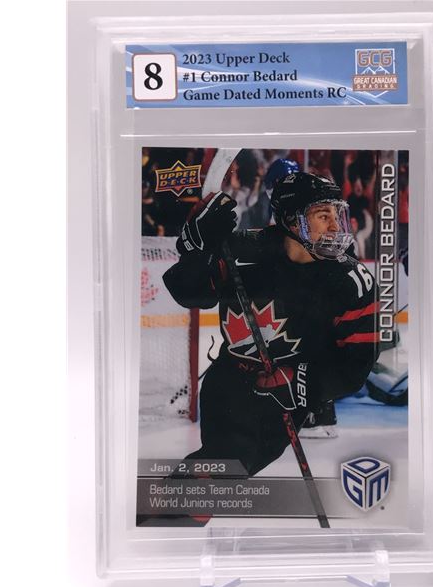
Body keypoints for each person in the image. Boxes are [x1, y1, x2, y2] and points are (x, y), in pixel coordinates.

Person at [163, 172, 380, 476]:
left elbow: (357, 364)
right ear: (292, 220)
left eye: (337, 215)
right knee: (224, 466)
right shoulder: (242, 250)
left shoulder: (351, 281)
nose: (335, 226)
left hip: (281, 399)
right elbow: (187, 292)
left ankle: (172, 501)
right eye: (323, 216)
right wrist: (198, 248)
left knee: (226, 466)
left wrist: (299, 381)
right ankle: (171, 503)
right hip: (226, 383)